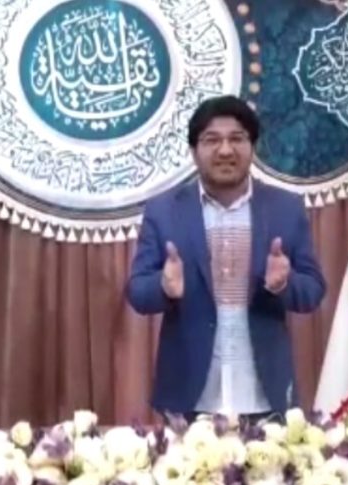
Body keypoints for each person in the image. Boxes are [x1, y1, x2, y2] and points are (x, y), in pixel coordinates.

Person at [125, 95, 327, 423]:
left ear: (252, 147)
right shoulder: (164, 211)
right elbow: (137, 292)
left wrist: (284, 283)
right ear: (194, 151)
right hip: (189, 396)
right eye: (211, 140)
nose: (225, 150)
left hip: (264, 394)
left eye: (237, 139)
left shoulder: (285, 208)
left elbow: (313, 291)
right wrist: (164, 286)